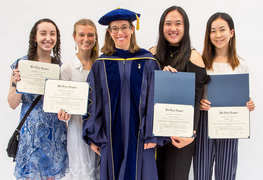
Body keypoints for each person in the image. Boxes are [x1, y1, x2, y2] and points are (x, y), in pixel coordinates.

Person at [82, 8, 168, 180]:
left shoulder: (148, 61)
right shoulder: (101, 64)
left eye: (124, 27)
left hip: (142, 136)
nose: (120, 32)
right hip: (111, 135)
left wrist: (153, 134)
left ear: (132, 29)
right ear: (109, 32)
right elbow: (91, 100)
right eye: (115, 28)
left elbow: (157, 98)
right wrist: (93, 135)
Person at [149, 6, 210, 180]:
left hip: (180, 135)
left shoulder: (194, 57)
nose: (173, 28)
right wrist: (159, 71)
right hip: (154, 132)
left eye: (178, 24)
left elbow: (197, 99)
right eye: (168, 23)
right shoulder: (152, 53)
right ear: (162, 27)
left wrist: (192, 134)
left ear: (186, 27)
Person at [193, 12, 255, 180]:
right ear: (208, 34)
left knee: (226, 171)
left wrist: (249, 104)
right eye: (213, 31)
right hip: (205, 120)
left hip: (230, 123)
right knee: (201, 171)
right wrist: (199, 103)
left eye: (222, 29)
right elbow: (194, 92)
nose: (218, 35)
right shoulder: (200, 62)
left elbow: (245, 96)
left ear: (231, 33)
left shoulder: (241, 64)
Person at [8, 18, 68, 180]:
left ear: (57, 39)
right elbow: (13, 104)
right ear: (34, 37)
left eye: (52, 34)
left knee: (51, 176)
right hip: (31, 132)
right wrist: (17, 84)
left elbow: (64, 100)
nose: (48, 38)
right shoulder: (21, 65)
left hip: (54, 131)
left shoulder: (60, 67)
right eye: (43, 33)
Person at [57, 19, 100, 180]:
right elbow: (61, 102)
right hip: (78, 129)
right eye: (81, 35)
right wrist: (62, 113)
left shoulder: (102, 64)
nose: (86, 39)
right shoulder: (67, 67)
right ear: (74, 37)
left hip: (101, 130)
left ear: (95, 38)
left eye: (90, 35)